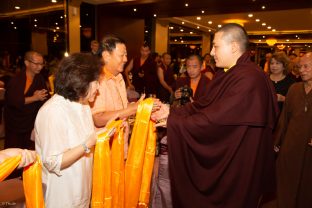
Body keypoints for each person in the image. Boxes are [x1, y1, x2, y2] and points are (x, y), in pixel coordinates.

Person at [153, 23, 279, 208]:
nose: (211, 52)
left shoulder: (250, 78)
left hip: (239, 159)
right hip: (233, 152)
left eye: (216, 46)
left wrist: (174, 121)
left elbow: (216, 119)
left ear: (234, 47)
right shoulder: (227, 74)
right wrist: (173, 112)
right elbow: (204, 105)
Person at [34, 53, 103, 207]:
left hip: (82, 187)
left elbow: (88, 139)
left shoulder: (83, 105)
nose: (98, 87)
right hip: (61, 192)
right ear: (81, 82)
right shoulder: (53, 111)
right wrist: (88, 143)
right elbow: (53, 161)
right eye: (96, 82)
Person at [151, 54, 210, 208]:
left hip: (198, 127)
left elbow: (210, 109)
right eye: (188, 66)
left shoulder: (208, 83)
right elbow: (173, 106)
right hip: (181, 126)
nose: (190, 70)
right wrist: (175, 96)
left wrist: (193, 103)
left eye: (194, 66)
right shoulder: (181, 81)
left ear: (202, 66)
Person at [274, 52, 312, 208]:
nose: (301, 70)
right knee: (286, 183)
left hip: (309, 148)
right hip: (290, 146)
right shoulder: (294, 89)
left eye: (306, 66)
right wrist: (277, 141)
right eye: (299, 67)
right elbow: (284, 119)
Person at [4, 51, 50, 150]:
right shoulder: (17, 80)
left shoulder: (39, 78)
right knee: (15, 152)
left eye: (41, 64)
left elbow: (45, 97)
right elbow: (14, 102)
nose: (40, 67)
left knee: (30, 151)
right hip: (16, 122)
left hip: (31, 121)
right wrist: (35, 98)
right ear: (27, 63)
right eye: (36, 64)